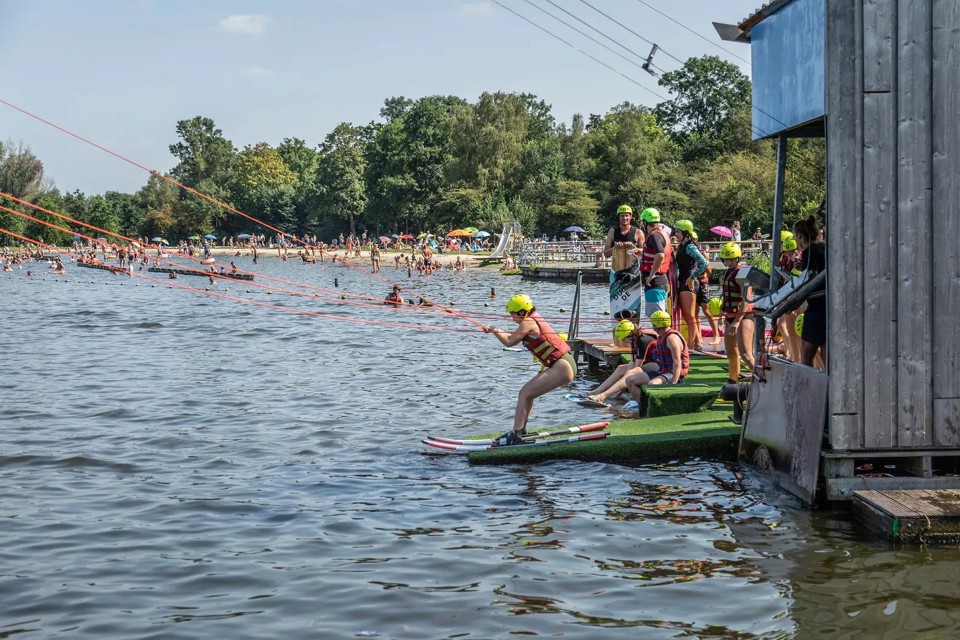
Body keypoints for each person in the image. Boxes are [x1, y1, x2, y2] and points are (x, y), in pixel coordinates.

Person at [483, 294, 577, 444]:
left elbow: (509, 341)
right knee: (528, 394)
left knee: (524, 393)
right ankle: (520, 431)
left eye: (513, 315)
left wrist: (495, 330)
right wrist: (496, 330)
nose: (512, 318)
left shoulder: (527, 321)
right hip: (564, 363)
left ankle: (517, 435)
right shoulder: (532, 318)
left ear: (521, 312)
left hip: (562, 366)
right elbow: (514, 336)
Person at [580, 319, 658, 407]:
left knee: (630, 373)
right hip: (648, 364)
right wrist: (620, 385)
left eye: (624, 339)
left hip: (658, 366)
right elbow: (633, 362)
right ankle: (595, 392)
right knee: (621, 368)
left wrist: (622, 387)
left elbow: (636, 368)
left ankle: (602, 396)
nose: (624, 342)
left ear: (629, 335)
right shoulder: (635, 338)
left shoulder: (643, 340)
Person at [624, 310, 690, 400]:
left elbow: (677, 362)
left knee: (653, 383)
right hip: (662, 371)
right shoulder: (661, 336)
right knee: (630, 380)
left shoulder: (672, 338)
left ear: (655, 325)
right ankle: (644, 407)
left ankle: (657, 406)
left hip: (673, 373)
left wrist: (674, 383)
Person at [600, 204, 645, 322]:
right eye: (622, 216)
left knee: (632, 304)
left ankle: (634, 329)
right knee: (619, 302)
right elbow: (606, 252)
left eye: (626, 216)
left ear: (631, 217)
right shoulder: (612, 231)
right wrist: (615, 247)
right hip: (617, 271)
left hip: (633, 273)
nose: (624, 218)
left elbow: (644, 251)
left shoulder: (638, 232)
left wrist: (634, 247)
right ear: (618, 218)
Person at [719, 242, 755, 383]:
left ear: (737, 258)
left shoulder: (742, 274)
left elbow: (746, 300)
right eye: (726, 260)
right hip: (730, 317)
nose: (729, 262)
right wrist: (722, 311)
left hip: (743, 317)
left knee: (746, 354)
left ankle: (763, 380)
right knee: (732, 354)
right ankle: (732, 382)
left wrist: (736, 322)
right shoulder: (729, 272)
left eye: (732, 259)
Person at [793, 215, 826, 368]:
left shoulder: (809, 251)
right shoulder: (824, 247)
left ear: (800, 235)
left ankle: (806, 389)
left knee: (806, 354)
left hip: (816, 307)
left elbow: (811, 276)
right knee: (826, 353)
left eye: (796, 236)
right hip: (828, 307)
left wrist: (797, 298)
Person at [672, 220, 709, 351]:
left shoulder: (690, 246)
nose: (675, 234)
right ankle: (697, 342)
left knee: (689, 315)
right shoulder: (682, 245)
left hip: (689, 282)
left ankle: (691, 344)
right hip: (683, 280)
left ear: (685, 233)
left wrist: (692, 277)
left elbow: (704, 263)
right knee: (686, 315)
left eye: (678, 232)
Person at [635, 207, 672, 317]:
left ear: (645, 222)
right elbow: (656, 253)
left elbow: (660, 254)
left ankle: (663, 335)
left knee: (657, 317)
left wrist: (651, 275)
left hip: (655, 282)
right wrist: (642, 253)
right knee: (657, 316)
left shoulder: (654, 235)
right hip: (660, 281)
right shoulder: (661, 233)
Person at [776, 231, 802, 362]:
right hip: (786, 297)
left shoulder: (798, 260)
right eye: (787, 252)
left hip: (796, 300)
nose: (788, 254)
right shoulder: (785, 259)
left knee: (796, 333)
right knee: (783, 325)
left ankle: (795, 356)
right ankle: (791, 353)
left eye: (790, 252)